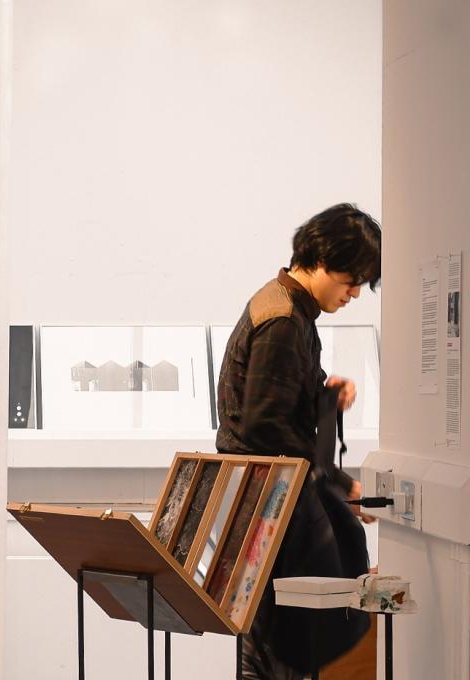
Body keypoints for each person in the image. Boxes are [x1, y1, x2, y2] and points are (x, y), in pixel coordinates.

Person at [216, 203, 381, 679]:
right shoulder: (284, 320)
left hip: (264, 493)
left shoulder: (287, 308)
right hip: (269, 497)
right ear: (325, 258)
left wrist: (323, 394)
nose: (353, 293)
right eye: (352, 280)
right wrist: (334, 482)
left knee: (270, 639)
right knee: (280, 641)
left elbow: (275, 399)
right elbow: (265, 426)